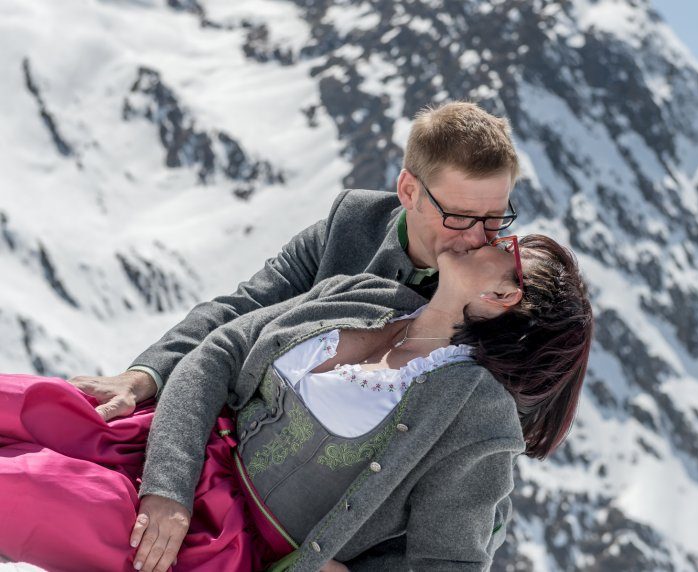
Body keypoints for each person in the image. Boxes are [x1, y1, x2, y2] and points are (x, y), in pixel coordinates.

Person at [0, 233, 593, 572]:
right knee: (18, 402)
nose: (487, 234)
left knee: (24, 491)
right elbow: (219, 353)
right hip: (171, 450)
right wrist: (168, 486)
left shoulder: (476, 418)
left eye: (508, 244)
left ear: (503, 294)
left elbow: (448, 562)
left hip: (213, 545)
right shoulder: (369, 292)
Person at [67, 101, 522, 425]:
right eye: (459, 216)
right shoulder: (350, 228)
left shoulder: (511, 283)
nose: (479, 237)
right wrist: (143, 374)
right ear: (408, 190)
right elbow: (239, 310)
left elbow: (488, 441)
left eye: (495, 218)